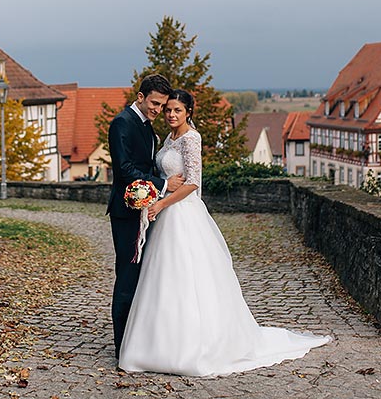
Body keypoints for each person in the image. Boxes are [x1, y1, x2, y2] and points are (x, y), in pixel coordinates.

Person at [118, 89, 330, 377]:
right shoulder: (168, 139)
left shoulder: (192, 139)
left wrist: (161, 203)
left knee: (189, 277)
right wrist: (160, 193)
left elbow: (193, 183)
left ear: (188, 112)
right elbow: (168, 177)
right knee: (163, 277)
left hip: (182, 213)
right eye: (167, 109)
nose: (170, 114)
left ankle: (193, 345)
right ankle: (157, 343)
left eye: (177, 110)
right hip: (167, 215)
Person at [107, 73, 184, 358]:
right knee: (127, 276)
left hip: (146, 208)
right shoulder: (121, 124)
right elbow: (124, 170)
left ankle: (138, 339)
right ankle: (121, 346)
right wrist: (164, 184)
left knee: (143, 275)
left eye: (162, 105)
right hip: (126, 212)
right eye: (154, 103)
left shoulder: (147, 127)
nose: (157, 110)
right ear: (140, 97)